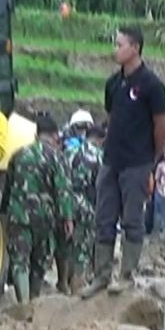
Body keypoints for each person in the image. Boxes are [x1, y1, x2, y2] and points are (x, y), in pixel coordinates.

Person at [82, 26, 165, 298]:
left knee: (132, 219)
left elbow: (161, 126)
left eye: (120, 44)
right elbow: (111, 117)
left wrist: (152, 159)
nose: (115, 49)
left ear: (135, 48)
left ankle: (127, 274)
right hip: (111, 160)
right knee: (103, 218)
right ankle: (101, 275)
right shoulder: (112, 84)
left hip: (137, 162)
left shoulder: (152, 85)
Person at [6, 114, 74, 307]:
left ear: (36, 135)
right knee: (40, 260)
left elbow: (8, 184)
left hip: (18, 214)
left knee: (20, 260)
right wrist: (67, 218)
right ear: (54, 136)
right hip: (44, 217)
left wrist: (6, 211)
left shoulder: (18, 154)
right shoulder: (57, 158)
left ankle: (23, 303)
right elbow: (63, 190)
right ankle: (34, 300)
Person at [64, 124, 103, 292]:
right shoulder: (99, 156)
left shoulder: (69, 152)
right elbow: (102, 185)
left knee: (66, 243)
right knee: (83, 247)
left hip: (65, 202)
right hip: (86, 204)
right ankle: (77, 284)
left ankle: (63, 281)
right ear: (101, 140)